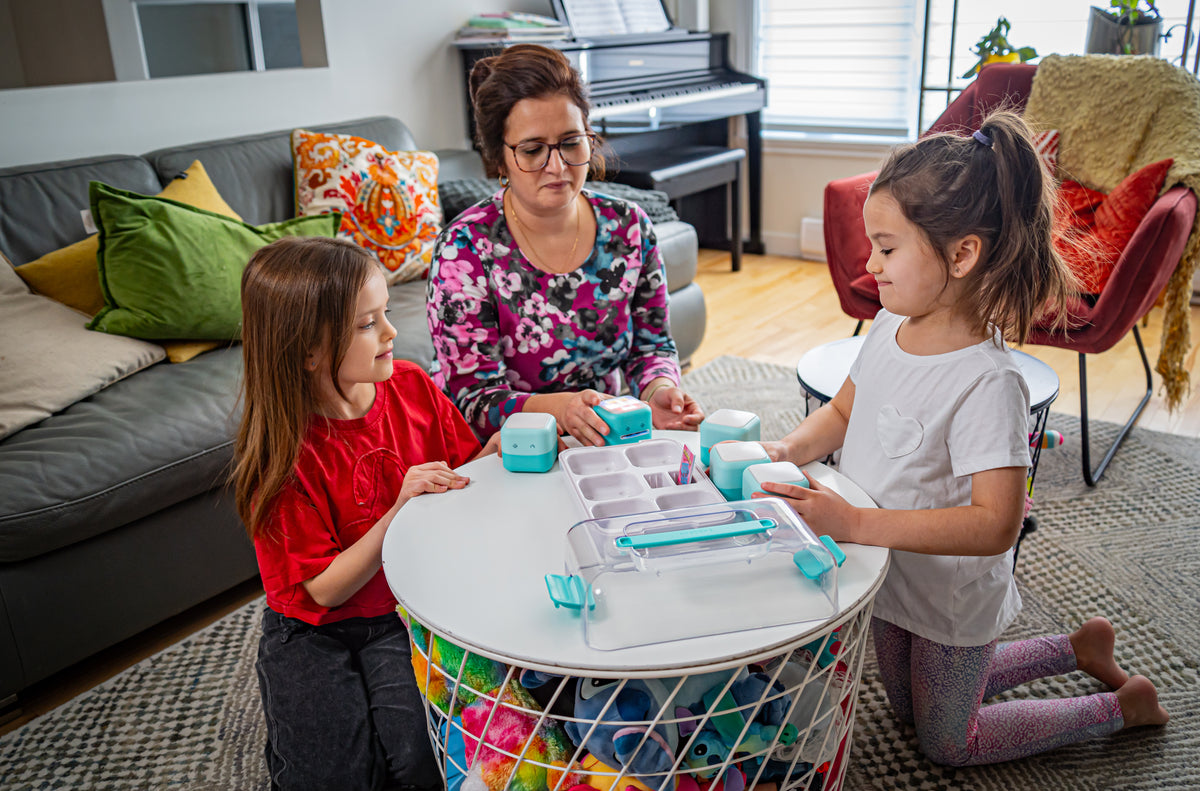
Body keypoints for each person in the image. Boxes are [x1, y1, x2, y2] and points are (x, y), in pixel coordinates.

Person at [756, 112, 1169, 766]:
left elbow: (996, 524)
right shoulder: (891, 327)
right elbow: (841, 411)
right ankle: (1076, 649)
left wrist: (858, 522)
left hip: (948, 598)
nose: (870, 264)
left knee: (949, 741)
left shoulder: (986, 381)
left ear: (962, 253)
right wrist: (789, 449)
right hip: (889, 572)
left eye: (887, 248)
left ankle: (1117, 706)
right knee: (902, 707)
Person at [232, 236, 497, 790]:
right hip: (310, 629)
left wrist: (512, 445)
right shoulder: (279, 455)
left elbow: (468, 471)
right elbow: (325, 591)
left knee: (423, 765)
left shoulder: (414, 388)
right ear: (307, 351)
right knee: (335, 779)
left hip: (401, 610)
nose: (391, 333)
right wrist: (400, 507)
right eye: (365, 324)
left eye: (385, 314)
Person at [427, 43, 703, 445]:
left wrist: (659, 391)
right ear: (499, 160)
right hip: (504, 451)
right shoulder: (463, 249)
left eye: (571, 142)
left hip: (603, 435)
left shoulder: (628, 227)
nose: (557, 167)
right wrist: (560, 409)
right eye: (533, 150)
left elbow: (652, 345)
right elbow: (472, 398)